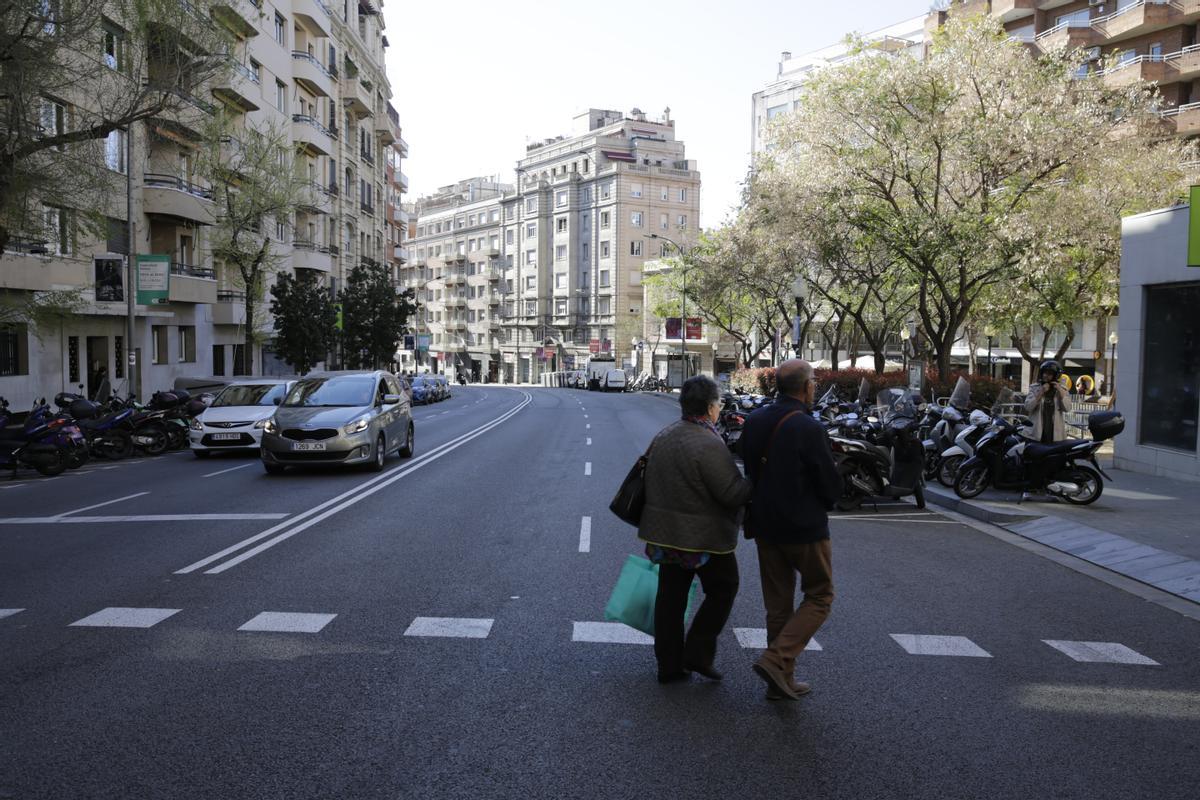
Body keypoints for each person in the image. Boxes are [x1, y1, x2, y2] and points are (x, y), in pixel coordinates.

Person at [638, 375, 753, 684]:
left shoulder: (665, 435)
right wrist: (752, 484)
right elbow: (730, 493)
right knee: (724, 587)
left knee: (671, 599)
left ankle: (669, 664)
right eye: (718, 404)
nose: (719, 410)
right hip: (701, 538)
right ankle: (698, 652)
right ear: (709, 407)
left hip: (664, 533)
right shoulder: (708, 442)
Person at [739, 359, 842, 701]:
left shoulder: (754, 421)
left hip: (765, 524)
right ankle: (777, 659)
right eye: (813, 381)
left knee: (778, 605)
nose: (815, 386)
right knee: (820, 595)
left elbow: (751, 468)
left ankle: (780, 679)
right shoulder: (808, 427)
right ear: (806, 387)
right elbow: (828, 483)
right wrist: (828, 501)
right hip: (803, 528)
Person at [1024, 360, 1071, 444]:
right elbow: (1028, 407)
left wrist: (1060, 391)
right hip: (1036, 433)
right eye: (1044, 373)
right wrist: (1041, 392)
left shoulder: (1062, 389)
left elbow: (1067, 408)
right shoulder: (1034, 388)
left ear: (1055, 376)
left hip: (1055, 434)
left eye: (1049, 374)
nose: (1046, 376)